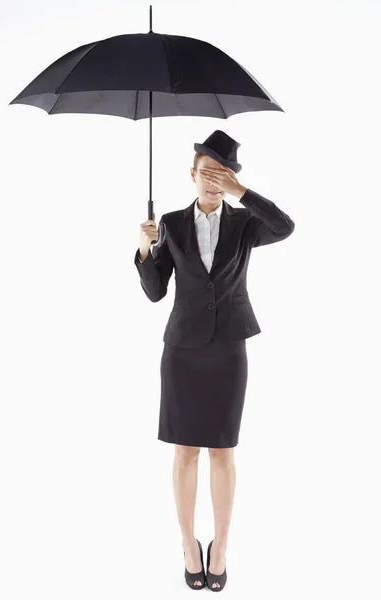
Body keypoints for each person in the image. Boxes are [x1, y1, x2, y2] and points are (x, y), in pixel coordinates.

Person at [134, 130, 295, 591]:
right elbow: (154, 292)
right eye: (205, 172)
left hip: (228, 348)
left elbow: (285, 227)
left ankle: (220, 546)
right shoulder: (170, 223)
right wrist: (147, 249)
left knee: (223, 451)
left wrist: (242, 193)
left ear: (230, 179)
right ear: (191, 175)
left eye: (221, 174)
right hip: (182, 350)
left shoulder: (246, 223)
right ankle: (188, 545)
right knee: (185, 452)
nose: (211, 181)